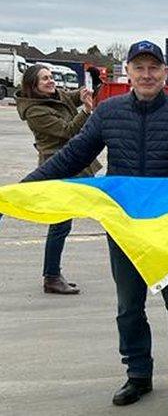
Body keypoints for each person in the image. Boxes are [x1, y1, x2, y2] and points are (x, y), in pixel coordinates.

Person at [23, 40, 168, 412]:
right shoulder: (108, 113)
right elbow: (71, 157)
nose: (146, 75)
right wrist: (21, 190)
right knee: (129, 306)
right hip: (124, 229)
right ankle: (138, 375)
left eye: (153, 68)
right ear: (127, 71)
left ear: (165, 72)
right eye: (139, 67)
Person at [15, 64, 101, 295]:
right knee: (60, 223)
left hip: (72, 165)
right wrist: (86, 111)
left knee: (62, 223)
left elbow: (71, 97)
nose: (51, 81)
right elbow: (67, 131)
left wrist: (88, 89)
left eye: (51, 77)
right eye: (45, 79)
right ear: (34, 86)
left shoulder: (55, 96)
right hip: (58, 168)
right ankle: (51, 276)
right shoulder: (36, 112)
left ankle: (52, 275)